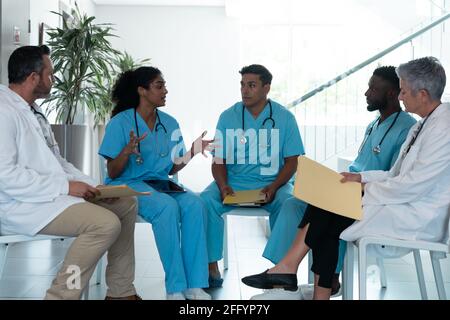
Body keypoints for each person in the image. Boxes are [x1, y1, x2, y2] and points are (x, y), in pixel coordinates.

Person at [242, 56, 450, 300]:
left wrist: (362, 189)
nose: (401, 96)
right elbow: (396, 174)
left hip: (416, 215)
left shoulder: (442, 128)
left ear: (423, 94)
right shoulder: (423, 125)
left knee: (331, 208)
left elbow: (413, 186)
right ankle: (302, 279)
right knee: (329, 206)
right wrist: (358, 177)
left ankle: (291, 272)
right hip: (401, 202)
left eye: (403, 91)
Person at [0, 45, 140, 300]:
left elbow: (57, 162)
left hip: (49, 196)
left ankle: (120, 292)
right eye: (50, 74)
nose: (53, 80)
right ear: (33, 78)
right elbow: (5, 177)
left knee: (126, 204)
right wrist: (66, 187)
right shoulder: (4, 112)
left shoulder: (33, 110)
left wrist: (92, 188)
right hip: (21, 205)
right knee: (104, 224)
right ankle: (60, 296)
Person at [99, 67, 213, 300]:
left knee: (196, 204)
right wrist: (126, 151)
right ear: (142, 90)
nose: (165, 91)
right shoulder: (120, 122)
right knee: (166, 207)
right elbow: (112, 170)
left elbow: (171, 167)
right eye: (159, 86)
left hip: (160, 183)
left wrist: (192, 151)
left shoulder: (169, 123)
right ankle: (175, 287)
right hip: (128, 184)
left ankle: (194, 284)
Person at [200, 64, 304, 287]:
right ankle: (210, 265)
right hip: (235, 181)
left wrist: (275, 186)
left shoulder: (285, 118)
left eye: (251, 85)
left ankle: (280, 269)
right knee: (205, 200)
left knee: (289, 203)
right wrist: (223, 185)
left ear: (266, 88)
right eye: (242, 85)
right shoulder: (228, 116)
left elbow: (292, 162)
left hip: (273, 182)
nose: (245, 90)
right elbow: (219, 160)